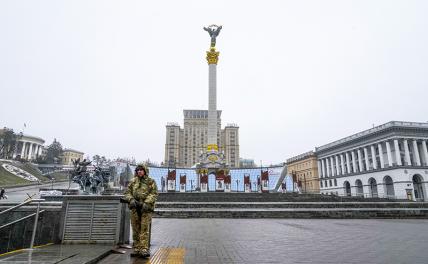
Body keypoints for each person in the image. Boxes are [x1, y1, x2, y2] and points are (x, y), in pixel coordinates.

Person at [124, 164, 158, 258]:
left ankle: (144, 249)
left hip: (145, 209)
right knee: (135, 228)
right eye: (138, 170)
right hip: (135, 209)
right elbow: (127, 192)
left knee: (144, 229)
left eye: (141, 170)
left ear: (145, 171)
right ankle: (137, 248)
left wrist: (147, 203)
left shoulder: (151, 181)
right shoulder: (133, 181)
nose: (139, 171)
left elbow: (154, 193)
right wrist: (131, 199)